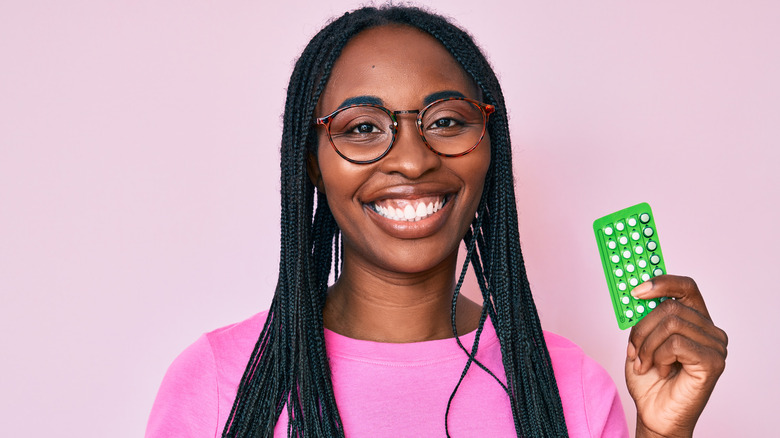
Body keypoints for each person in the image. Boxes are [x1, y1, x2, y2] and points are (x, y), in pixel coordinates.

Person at [146, 5, 727, 437]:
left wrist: (661, 435)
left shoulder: (568, 387)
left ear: (488, 147)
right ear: (312, 165)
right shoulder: (220, 382)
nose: (412, 158)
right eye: (363, 127)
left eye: (447, 120)